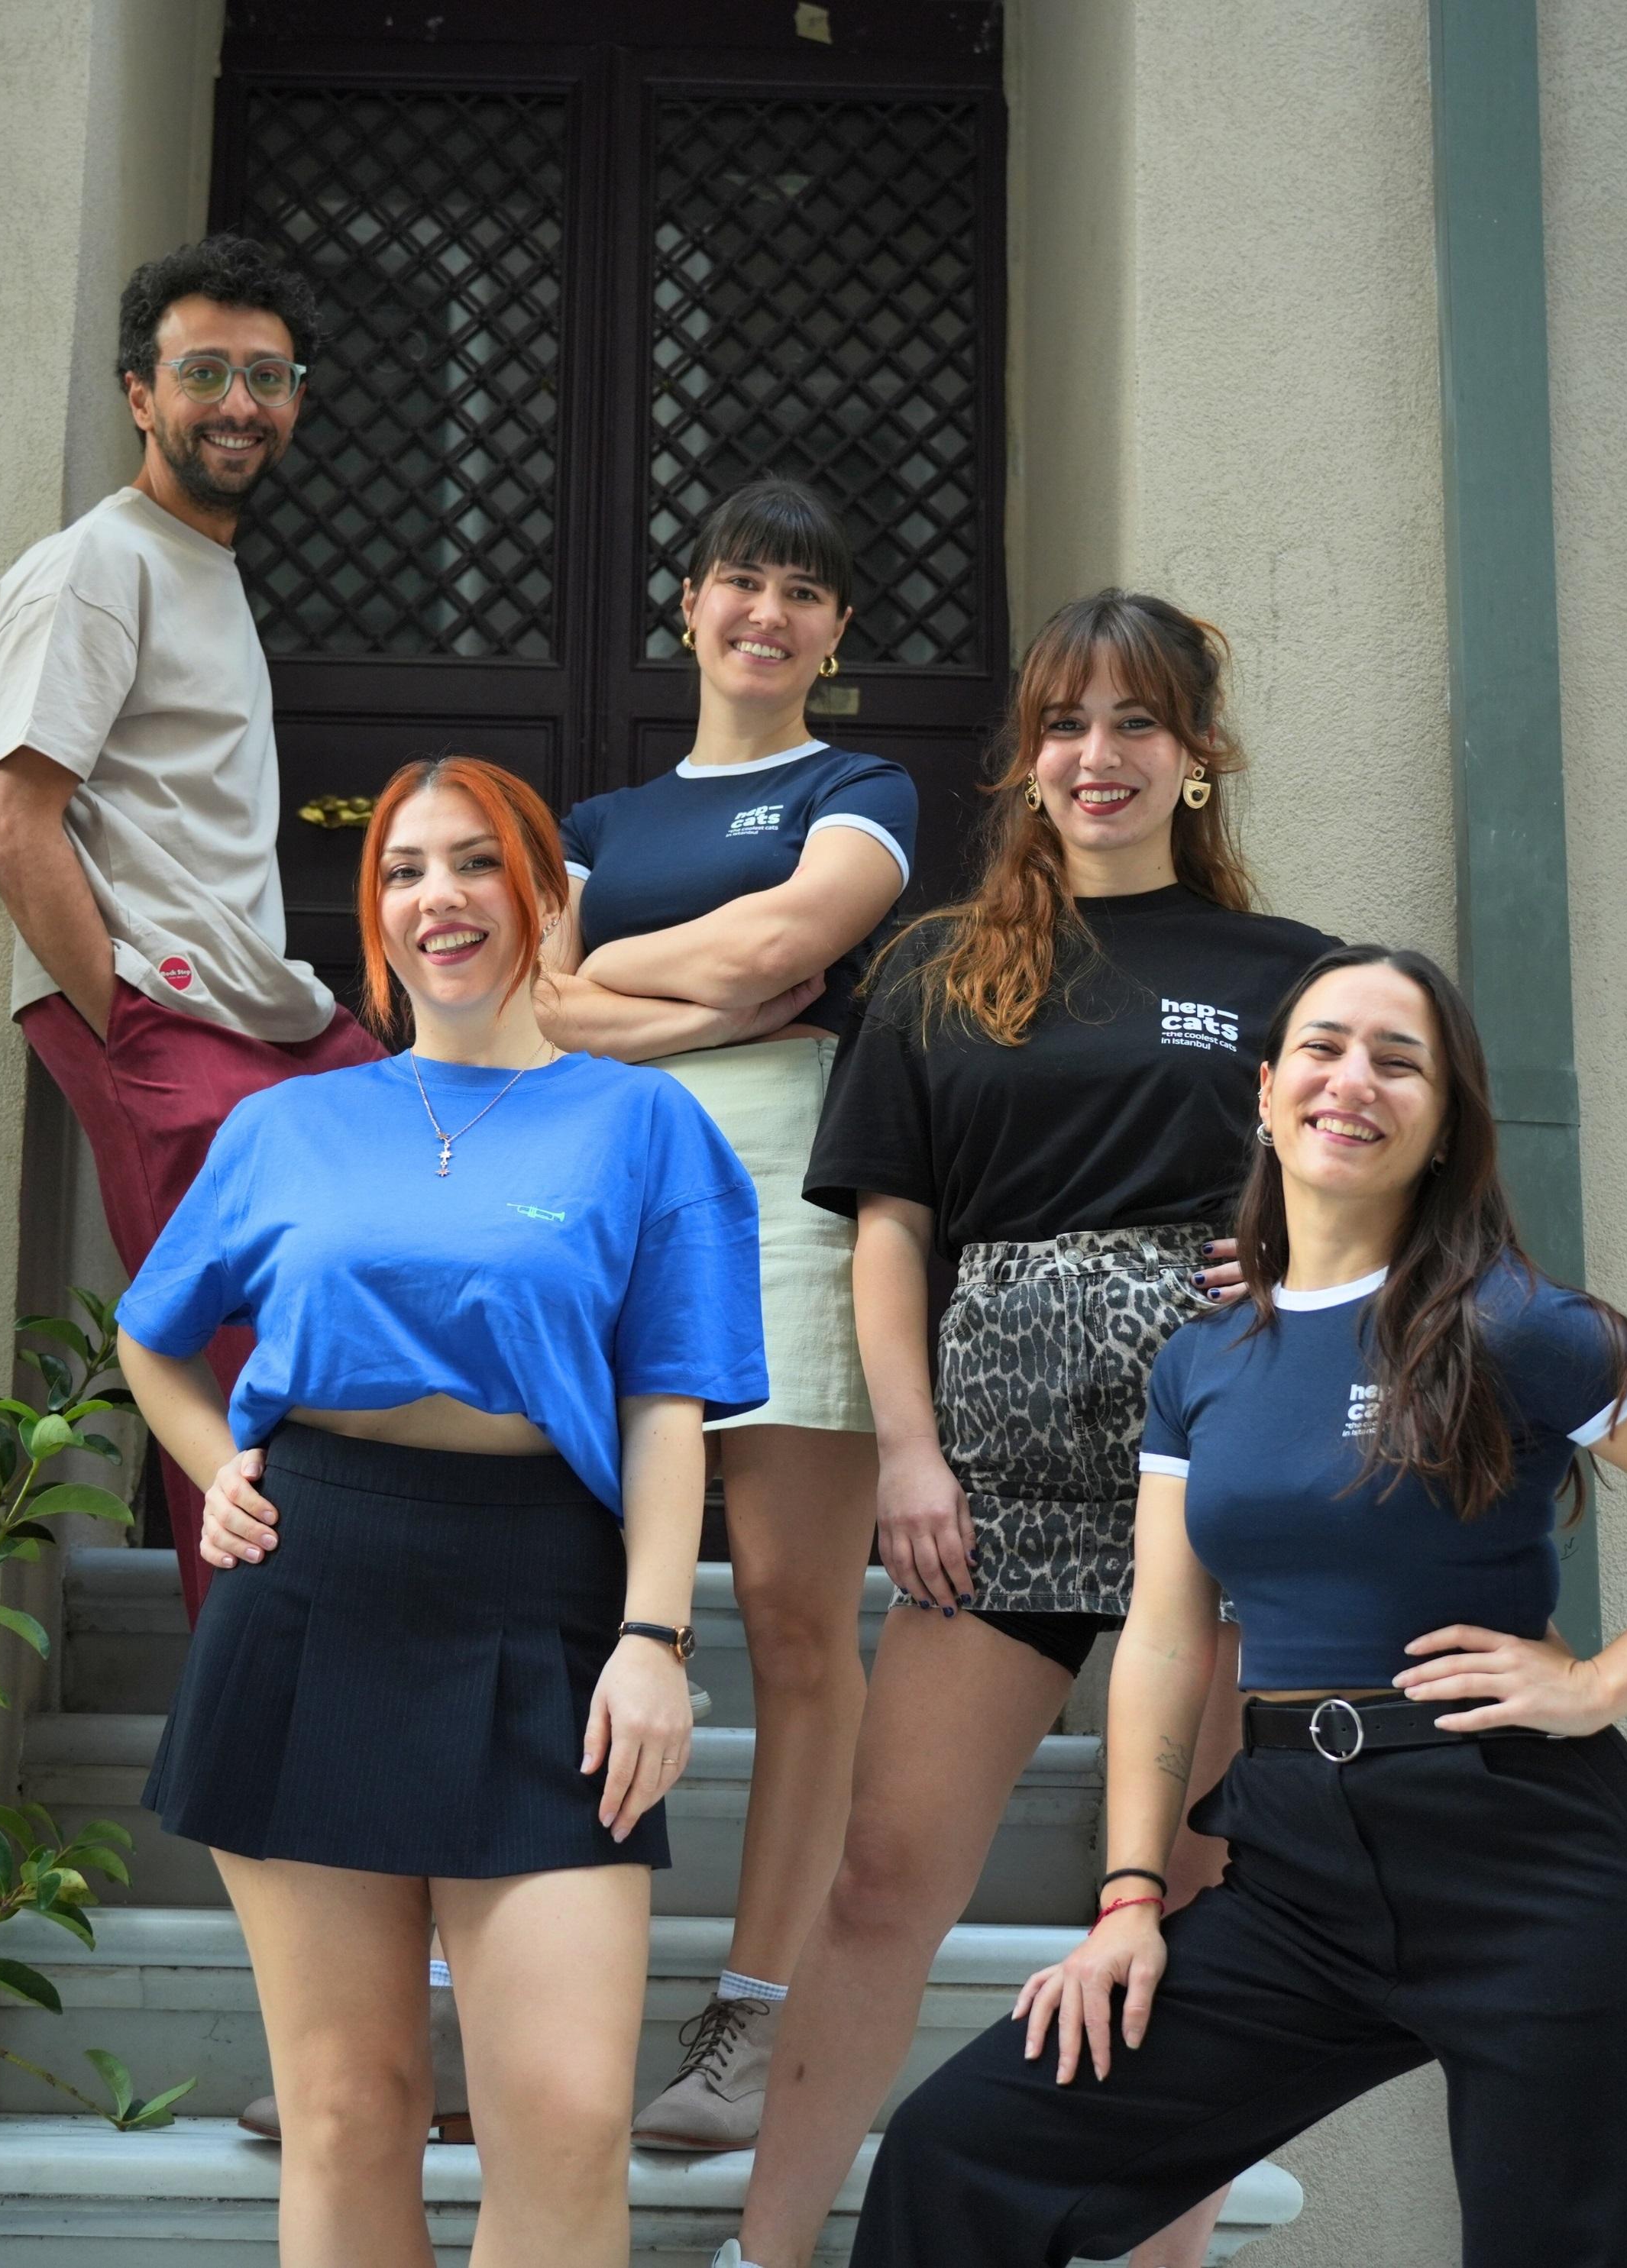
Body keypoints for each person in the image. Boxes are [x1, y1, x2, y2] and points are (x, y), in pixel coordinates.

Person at [850, 943, 1627, 2266]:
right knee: (962, 2150)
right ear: (1264, 1088)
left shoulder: (1514, 1323)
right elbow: (1163, 1636)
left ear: (1443, 1124)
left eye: (1398, 1062)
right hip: (1296, 1870)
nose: (1352, 1079)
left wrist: (1593, 1685)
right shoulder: (1203, 1360)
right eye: (1322, 1047)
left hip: (1525, 1862)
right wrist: (1128, 1898)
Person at [717, 590, 1339, 2268]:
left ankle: (1161, 2254)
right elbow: (891, 1232)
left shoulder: (1292, 976)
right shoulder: (936, 966)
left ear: (1196, 756)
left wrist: (1299, 1255)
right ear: (1028, 759)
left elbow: (1382, 1187)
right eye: (1066, 724)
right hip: (994, 1486)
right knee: (882, 1878)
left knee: (1199, 1901)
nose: (1096, 755)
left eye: (1136, 722)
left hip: (1225, 1483)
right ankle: (769, 2248)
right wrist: (906, 1454)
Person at [113, 754, 767, 2268]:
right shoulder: (287, 1126)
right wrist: (220, 1469)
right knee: (348, 2112)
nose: (439, 898)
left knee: (566, 2117)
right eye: (402, 871)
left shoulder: (645, 1124)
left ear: (543, 894)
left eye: (476, 862)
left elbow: (667, 1405)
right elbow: (153, 1336)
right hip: (312, 1584)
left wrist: (655, 1636)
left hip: (548, 1597)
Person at [539, 477, 915, 2150]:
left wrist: (616, 985)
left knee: (788, 1617)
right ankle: (503, 2002)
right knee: (555, 1597)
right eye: (740, 581)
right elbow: (524, 999)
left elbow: (801, 934)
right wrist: (720, 1002)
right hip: (599, 1193)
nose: (767, 612)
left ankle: (751, 2022)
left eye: (803, 592)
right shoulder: (600, 821)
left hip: (787, 1195)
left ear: (835, 633)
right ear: (687, 606)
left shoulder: (861, 789)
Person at [0, 232, 380, 1622]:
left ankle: (352, 1642)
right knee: (236, 1373)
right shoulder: (97, 565)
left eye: (267, 375)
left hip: (266, 1013)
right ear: (139, 394)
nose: (238, 403)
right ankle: (250, 1678)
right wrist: (132, 1027)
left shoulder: (198, 563)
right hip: (168, 1018)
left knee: (349, 1315)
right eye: (203, 371)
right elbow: (16, 828)